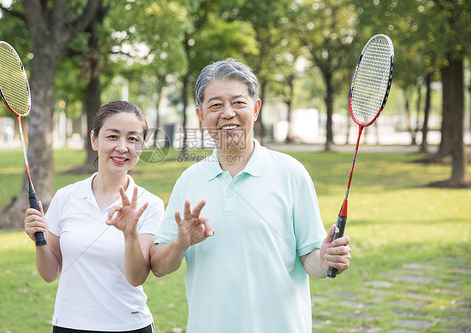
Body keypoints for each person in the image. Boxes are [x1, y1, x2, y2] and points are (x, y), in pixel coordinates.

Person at [149, 59, 352, 332]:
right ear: (201, 115)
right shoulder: (189, 180)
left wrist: (326, 258)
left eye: (238, 102)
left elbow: (311, 262)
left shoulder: (291, 173)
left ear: (256, 108)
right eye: (215, 105)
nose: (228, 113)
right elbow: (160, 266)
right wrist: (180, 243)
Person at [24, 101, 164, 333]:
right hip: (70, 324)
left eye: (132, 139)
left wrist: (130, 235)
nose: (122, 147)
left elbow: (137, 277)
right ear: (94, 140)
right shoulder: (66, 197)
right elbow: (50, 274)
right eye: (113, 136)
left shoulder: (151, 204)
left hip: (129, 326)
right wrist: (39, 241)